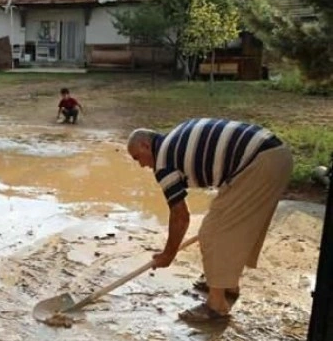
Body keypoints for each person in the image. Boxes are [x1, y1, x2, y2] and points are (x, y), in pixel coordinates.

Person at [126, 118, 293, 322]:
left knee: (212, 233)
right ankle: (227, 285)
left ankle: (216, 305)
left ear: (145, 145)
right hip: (276, 155)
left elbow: (180, 216)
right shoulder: (174, 136)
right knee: (233, 227)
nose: (142, 165)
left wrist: (168, 255)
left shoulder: (163, 161)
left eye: (137, 158)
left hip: (259, 161)